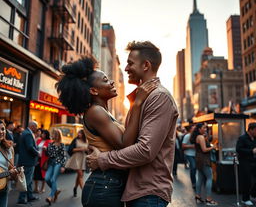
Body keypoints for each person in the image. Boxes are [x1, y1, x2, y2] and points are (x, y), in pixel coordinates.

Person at [86, 41, 178, 207]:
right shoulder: (142, 98)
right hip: (136, 191)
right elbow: (128, 142)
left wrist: (103, 159)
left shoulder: (158, 97)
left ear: (146, 65)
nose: (126, 68)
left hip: (149, 193)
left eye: (130, 63)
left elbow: (145, 150)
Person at [56, 55, 156, 207]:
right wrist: (137, 104)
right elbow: (124, 144)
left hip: (110, 185)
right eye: (105, 80)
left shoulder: (102, 112)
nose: (111, 81)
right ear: (94, 90)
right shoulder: (95, 111)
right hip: (104, 187)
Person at [190, 123, 217, 206]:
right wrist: (213, 147)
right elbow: (204, 149)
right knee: (209, 177)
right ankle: (208, 199)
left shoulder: (199, 137)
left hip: (198, 159)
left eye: (205, 128)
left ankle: (198, 196)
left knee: (200, 178)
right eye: (203, 128)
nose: (205, 129)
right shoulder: (201, 137)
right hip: (204, 159)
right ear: (199, 129)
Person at [17, 121, 40, 204]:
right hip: (28, 161)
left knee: (28, 180)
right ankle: (21, 199)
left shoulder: (25, 132)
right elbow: (30, 147)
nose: (37, 128)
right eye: (36, 126)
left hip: (26, 160)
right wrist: (38, 153)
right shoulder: (28, 134)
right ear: (32, 126)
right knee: (27, 180)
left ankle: (30, 196)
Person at [236, 122, 256, 206]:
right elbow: (238, 149)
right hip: (245, 162)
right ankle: (245, 198)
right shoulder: (242, 138)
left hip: (254, 161)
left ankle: (253, 194)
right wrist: (251, 151)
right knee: (247, 180)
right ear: (251, 130)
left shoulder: (255, 138)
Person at [45, 128, 66, 205]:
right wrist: (45, 150)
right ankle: (56, 190)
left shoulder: (62, 145)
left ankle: (50, 196)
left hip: (58, 163)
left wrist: (63, 166)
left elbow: (64, 156)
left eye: (56, 134)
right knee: (47, 178)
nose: (55, 136)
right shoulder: (50, 144)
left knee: (53, 179)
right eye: (54, 134)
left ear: (59, 136)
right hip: (51, 163)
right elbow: (48, 154)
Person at [0, 119, 18, 207]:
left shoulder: (9, 148)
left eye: (2, 129)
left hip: (4, 186)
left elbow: (11, 168)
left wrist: (14, 173)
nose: (1, 132)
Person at [65, 129, 88, 197]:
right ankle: (84, 192)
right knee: (80, 175)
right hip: (76, 159)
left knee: (80, 175)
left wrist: (87, 150)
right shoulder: (75, 140)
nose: (78, 134)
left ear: (83, 134)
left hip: (83, 159)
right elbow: (70, 149)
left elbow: (88, 150)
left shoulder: (86, 141)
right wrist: (80, 149)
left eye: (80, 133)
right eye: (78, 133)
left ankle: (75, 188)